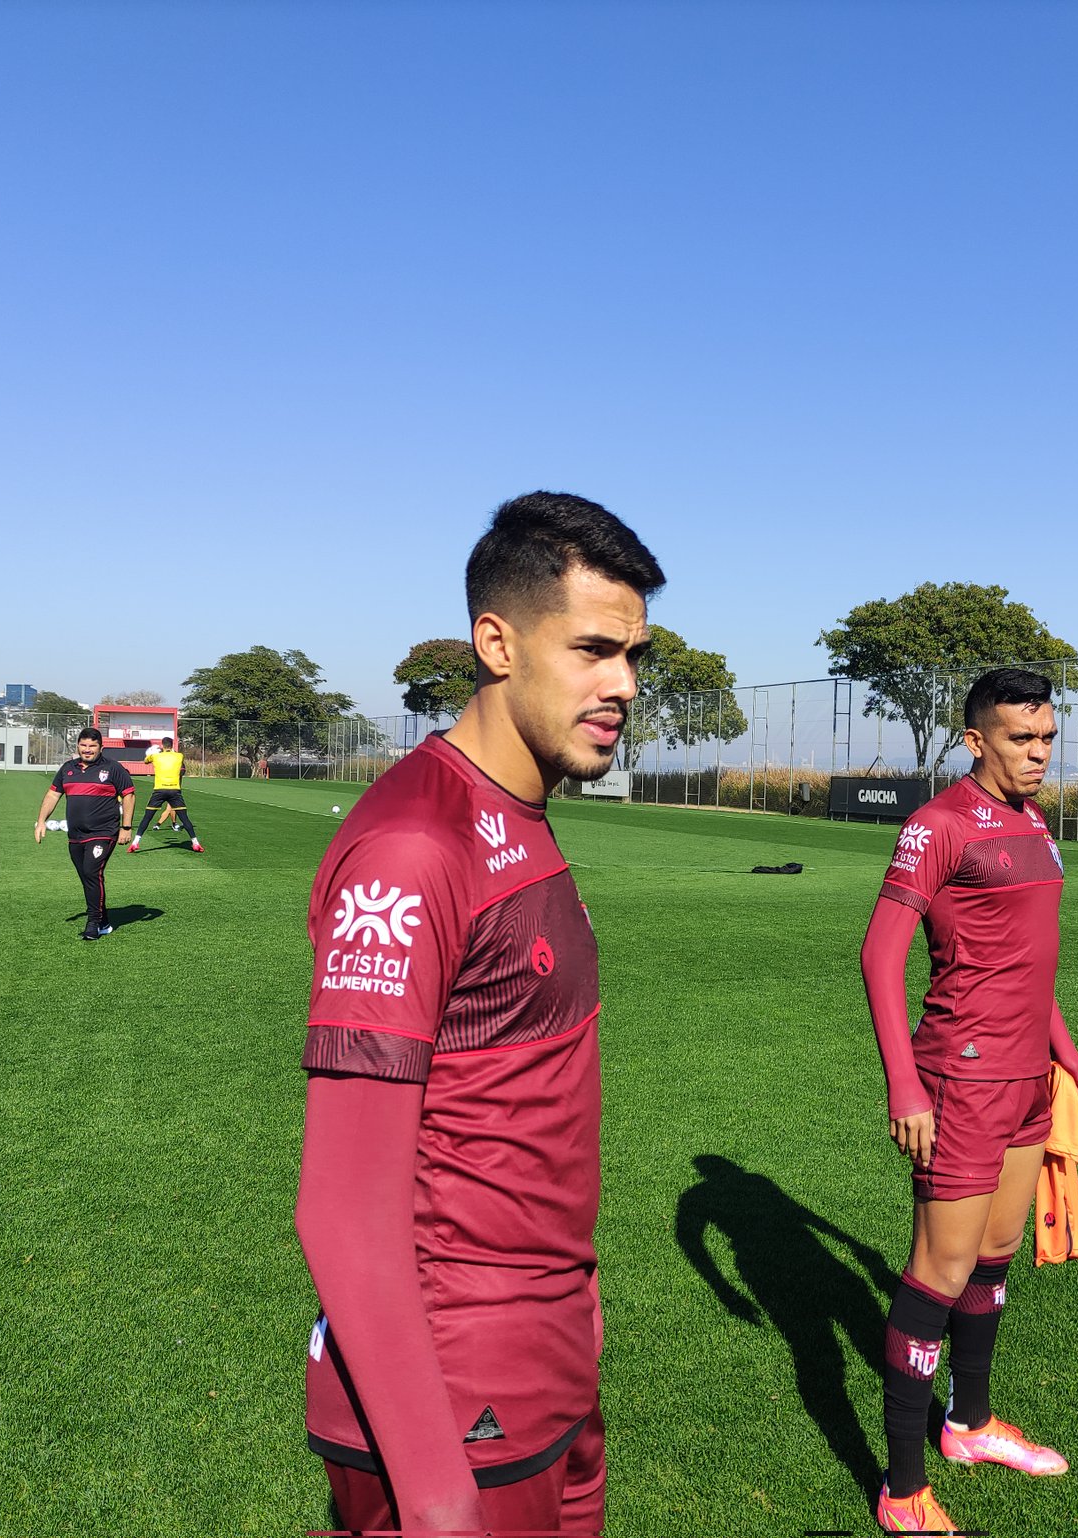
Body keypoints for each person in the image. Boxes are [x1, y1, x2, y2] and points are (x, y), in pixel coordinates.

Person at [294, 491, 664, 1537]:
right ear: (497, 643)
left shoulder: (523, 814)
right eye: (593, 649)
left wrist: (573, 1302)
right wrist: (436, 1492)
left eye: (633, 655)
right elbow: (340, 1208)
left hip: (547, 1357)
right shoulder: (414, 847)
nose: (624, 685)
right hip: (454, 1406)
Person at [860, 666, 1078, 1534]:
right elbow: (880, 955)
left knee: (995, 1256)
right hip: (960, 1081)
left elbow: (1028, 953)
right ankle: (902, 1490)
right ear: (975, 739)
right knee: (939, 1273)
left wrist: (1060, 1042)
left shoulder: (1034, 822)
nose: (1038, 753)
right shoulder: (938, 825)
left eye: (1047, 738)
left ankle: (969, 1423)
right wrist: (904, 1084)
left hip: (1027, 1078)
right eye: (1020, 738)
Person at [34, 727, 135, 940]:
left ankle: (93, 923)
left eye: (92, 746)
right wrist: (41, 821)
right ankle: (104, 921)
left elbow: (129, 795)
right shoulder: (68, 768)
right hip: (76, 834)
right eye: (83, 745)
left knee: (91, 871)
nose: (87, 749)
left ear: (101, 748)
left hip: (103, 832)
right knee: (88, 878)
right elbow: (53, 795)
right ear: (78, 745)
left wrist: (126, 827)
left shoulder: (113, 768)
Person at [130, 735, 201, 852]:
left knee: (147, 817)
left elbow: (146, 761)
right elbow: (173, 757)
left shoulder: (155, 756)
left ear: (162, 745)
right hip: (174, 790)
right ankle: (196, 843)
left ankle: (135, 843)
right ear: (172, 746)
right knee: (184, 818)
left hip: (159, 790)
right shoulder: (179, 756)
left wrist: (154, 752)